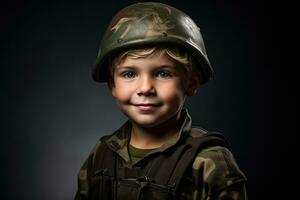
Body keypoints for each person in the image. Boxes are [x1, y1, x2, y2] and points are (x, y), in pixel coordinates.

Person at [75, 2, 247, 200]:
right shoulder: (102, 154)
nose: (146, 88)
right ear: (112, 85)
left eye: (163, 73)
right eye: (130, 74)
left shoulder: (208, 162)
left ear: (191, 84)